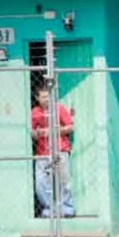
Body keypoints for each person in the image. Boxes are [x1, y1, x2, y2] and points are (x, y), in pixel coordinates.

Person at [31, 82, 75, 218]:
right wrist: (38, 133)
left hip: (60, 149)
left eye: (48, 97)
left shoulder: (59, 109)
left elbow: (70, 127)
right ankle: (49, 208)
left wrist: (54, 131)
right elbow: (32, 132)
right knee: (40, 182)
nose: (46, 100)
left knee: (63, 180)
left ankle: (67, 208)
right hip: (42, 152)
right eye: (43, 97)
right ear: (37, 98)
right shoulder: (34, 112)